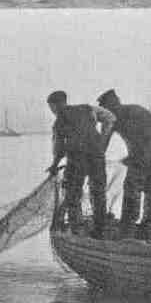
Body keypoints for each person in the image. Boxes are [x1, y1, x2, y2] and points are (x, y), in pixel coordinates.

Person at [97, 89, 151, 235]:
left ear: (109, 105)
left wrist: (95, 158)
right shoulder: (134, 109)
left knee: (132, 186)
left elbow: (103, 143)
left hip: (148, 149)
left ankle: (127, 227)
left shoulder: (112, 117)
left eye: (105, 107)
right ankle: (147, 224)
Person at [47, 91, 116, 238]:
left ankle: (77, 230)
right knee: (98, 192)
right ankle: (100, 229)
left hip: (77, 158)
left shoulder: (59, 122)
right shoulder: (88, 108)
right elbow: (110, 118)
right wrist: (102, 143)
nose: (52, 111)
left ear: (55, 105)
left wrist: (54, 165)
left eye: (51, 107)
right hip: (97, 156)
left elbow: (58, 149)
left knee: (73, 194)